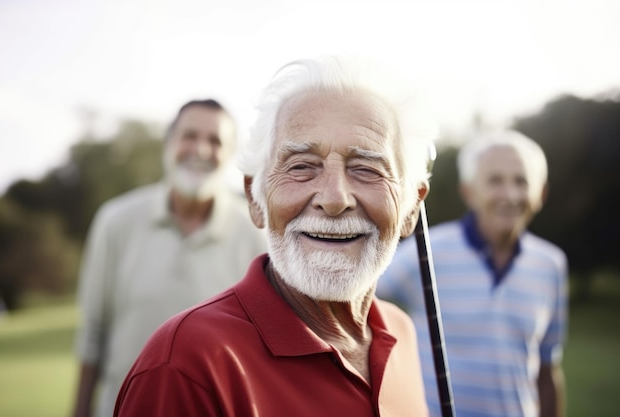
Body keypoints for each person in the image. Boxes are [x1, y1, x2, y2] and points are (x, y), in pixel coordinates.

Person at [112, 56, 439, 417]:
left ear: (411, 209)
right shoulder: (185, 365)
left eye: (366, 169)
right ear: (255, 198)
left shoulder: (402, 333)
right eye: (301, 167)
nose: (333, 199)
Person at [71, 99, 267, 417]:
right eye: (189, 136)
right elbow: (93, 333)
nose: (201, 150)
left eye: (215, 141)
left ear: (230, 155)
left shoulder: (257, 232)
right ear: (169, 144)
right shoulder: (115, 220)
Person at [377, 130, 569, 417]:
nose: (510, 195)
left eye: (521, 181)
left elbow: (547, 368)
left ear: (540, 193)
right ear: (469, 192)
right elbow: (351, 301)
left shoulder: (551, 264)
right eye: (495, 181)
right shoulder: (426, 250)